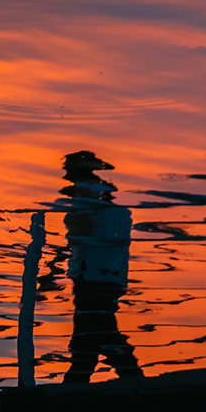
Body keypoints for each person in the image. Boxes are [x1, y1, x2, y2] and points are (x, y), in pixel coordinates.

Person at [58, 151, 143, 382]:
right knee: (89, 333)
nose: (65, 173)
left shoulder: (86, 201)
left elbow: (78, 236)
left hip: (91, 275)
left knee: (97, 332)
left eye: (68, 168)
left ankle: (132, 378)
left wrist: (53, 267)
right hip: (111, 275)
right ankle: (77, 381)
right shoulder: (116, 209)